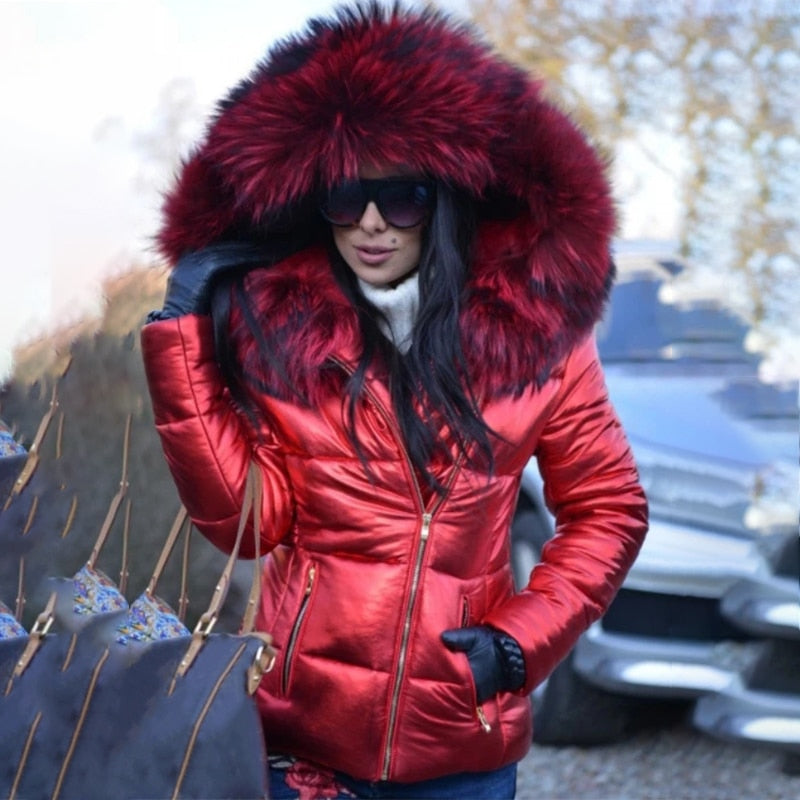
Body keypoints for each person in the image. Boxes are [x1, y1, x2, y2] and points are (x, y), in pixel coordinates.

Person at [141, 2, 648, 798]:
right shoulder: (287, 336)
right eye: (348, 198)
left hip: (461, 749)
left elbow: (609, 509)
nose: (372, 225)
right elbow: (249, 524)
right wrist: (181, 338)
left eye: (401, 198)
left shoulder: (540, 343)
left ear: (443, 203)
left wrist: (517, 648)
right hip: (301, 743)